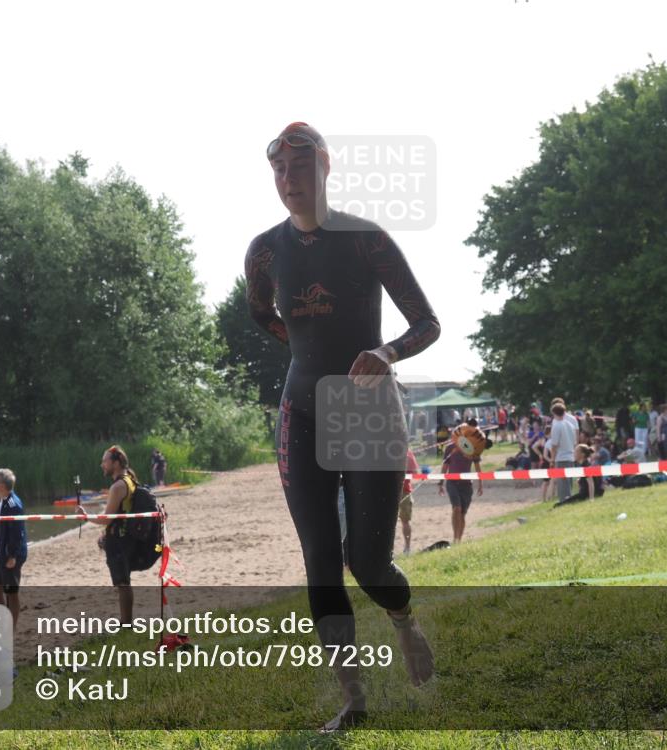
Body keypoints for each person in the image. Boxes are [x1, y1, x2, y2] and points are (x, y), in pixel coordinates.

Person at [245, 123, 440, 731]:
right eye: (278, 171)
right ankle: (353, 702)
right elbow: (261, 313)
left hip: (368, 410)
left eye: (299, 167)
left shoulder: (365, 240)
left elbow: (427, 324)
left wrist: (384, 354)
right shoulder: (265, 251)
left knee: (369, 563)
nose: (287, 181)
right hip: (300, 409)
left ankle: (405, 622)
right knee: (320, 562)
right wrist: (307, 353)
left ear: (325, 166)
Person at [81, 445, 142, 624]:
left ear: (115, 463)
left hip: (119, 540)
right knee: (124, 582)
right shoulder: (129, 478)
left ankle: (126, 624)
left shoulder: (118, 486)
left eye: (105, 461)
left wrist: (86, 516)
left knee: (122, 583)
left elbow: (107, 519)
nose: (102, 465)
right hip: (125, 537)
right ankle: (126, 622)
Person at [0, 468, 27, 632]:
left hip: (9, 556)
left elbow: (17, 533)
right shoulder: (4, 501)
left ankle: (10, 629)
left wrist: (12, 556)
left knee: (11, 592)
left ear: (2, 485)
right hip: (0, 555)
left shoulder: (12, 504)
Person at [439, 428, 483, 544]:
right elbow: (445, 467)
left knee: (463, 513)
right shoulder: (450, 448)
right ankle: (455, 537)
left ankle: (459, 539)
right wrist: (440, 483)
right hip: (452, 482)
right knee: (456, 508)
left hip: (466, 484)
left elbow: (478, 467)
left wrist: (480, 484)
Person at [547, 403, 577, 503]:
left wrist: (552, 459)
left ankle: (564, 501)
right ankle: (569, 499)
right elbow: (574, 441)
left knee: (563, 483)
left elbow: (554, 445)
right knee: (569, 482)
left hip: (561, 457)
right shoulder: (570, 425)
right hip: (570, 455)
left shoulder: (556, 426)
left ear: (554, 413)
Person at [398, 449, 418, 555]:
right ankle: (407, 548)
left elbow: (414, 471)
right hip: (393, 490)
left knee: (405, 521)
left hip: (404, 490)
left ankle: (407, 547)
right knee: (404, 521)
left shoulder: (407, 452)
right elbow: (415, 471)